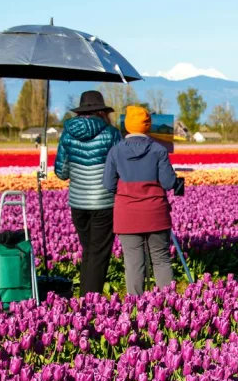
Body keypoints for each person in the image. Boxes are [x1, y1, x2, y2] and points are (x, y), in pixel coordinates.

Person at [103, 105, 181, 297]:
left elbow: (108, 184)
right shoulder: (158, 150)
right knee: (161, 260)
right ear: (148, 126)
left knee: (133, 262)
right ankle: (169, 305)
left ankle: (136, 309)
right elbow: (169, 182)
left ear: (127, 126)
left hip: (126, 214)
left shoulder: (115, 151)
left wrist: (126, 191)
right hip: (155, 213)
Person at [54, 90, 122, 296]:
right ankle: (90, 301)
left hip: (78, 203)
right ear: (102, 111)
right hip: (104, 202)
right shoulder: (112, 134)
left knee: (89, 251)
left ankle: (84, 298)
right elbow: (120, 168)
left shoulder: (67, 134)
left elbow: (61, 172)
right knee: (99, 253)